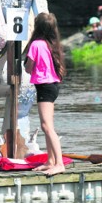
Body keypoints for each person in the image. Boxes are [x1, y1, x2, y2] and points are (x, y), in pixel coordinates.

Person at [24, 13, 67, 175]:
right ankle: (50, 161)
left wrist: (26, 64)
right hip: (52, 86)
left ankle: (59, 163)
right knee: (47, 124)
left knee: (47, 126)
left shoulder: (36, 44)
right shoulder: (52, 44)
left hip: (44, 86)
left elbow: (29, 68)